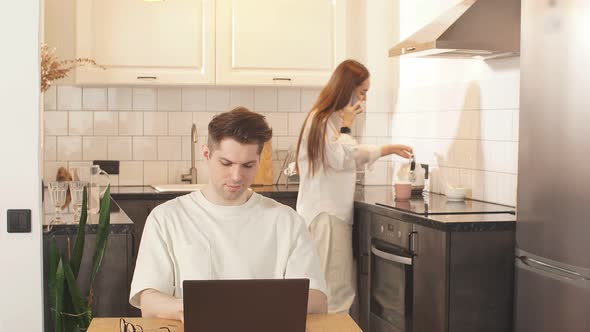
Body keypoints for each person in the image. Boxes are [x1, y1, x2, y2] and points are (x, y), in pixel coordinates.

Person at [130, 107, 328, 321]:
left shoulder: (287, 221)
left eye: (248, 165)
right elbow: (148, 300)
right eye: (226, 163)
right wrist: (200, 310)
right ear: (206, 154)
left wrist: (238, 308)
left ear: (258, 160)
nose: (236, 176)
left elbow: (317, 300)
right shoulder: (166, 218)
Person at [295, 59, 413, 314]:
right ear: (347, 89)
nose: (364, 99)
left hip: (325, 215)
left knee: (330, 289)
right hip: (326, 216)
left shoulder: (325, 120)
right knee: (335, 293)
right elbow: (342, 157)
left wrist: (382, 147)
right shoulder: (323, 120)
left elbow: (344, 154)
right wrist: (352, 126)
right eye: (362, 92)